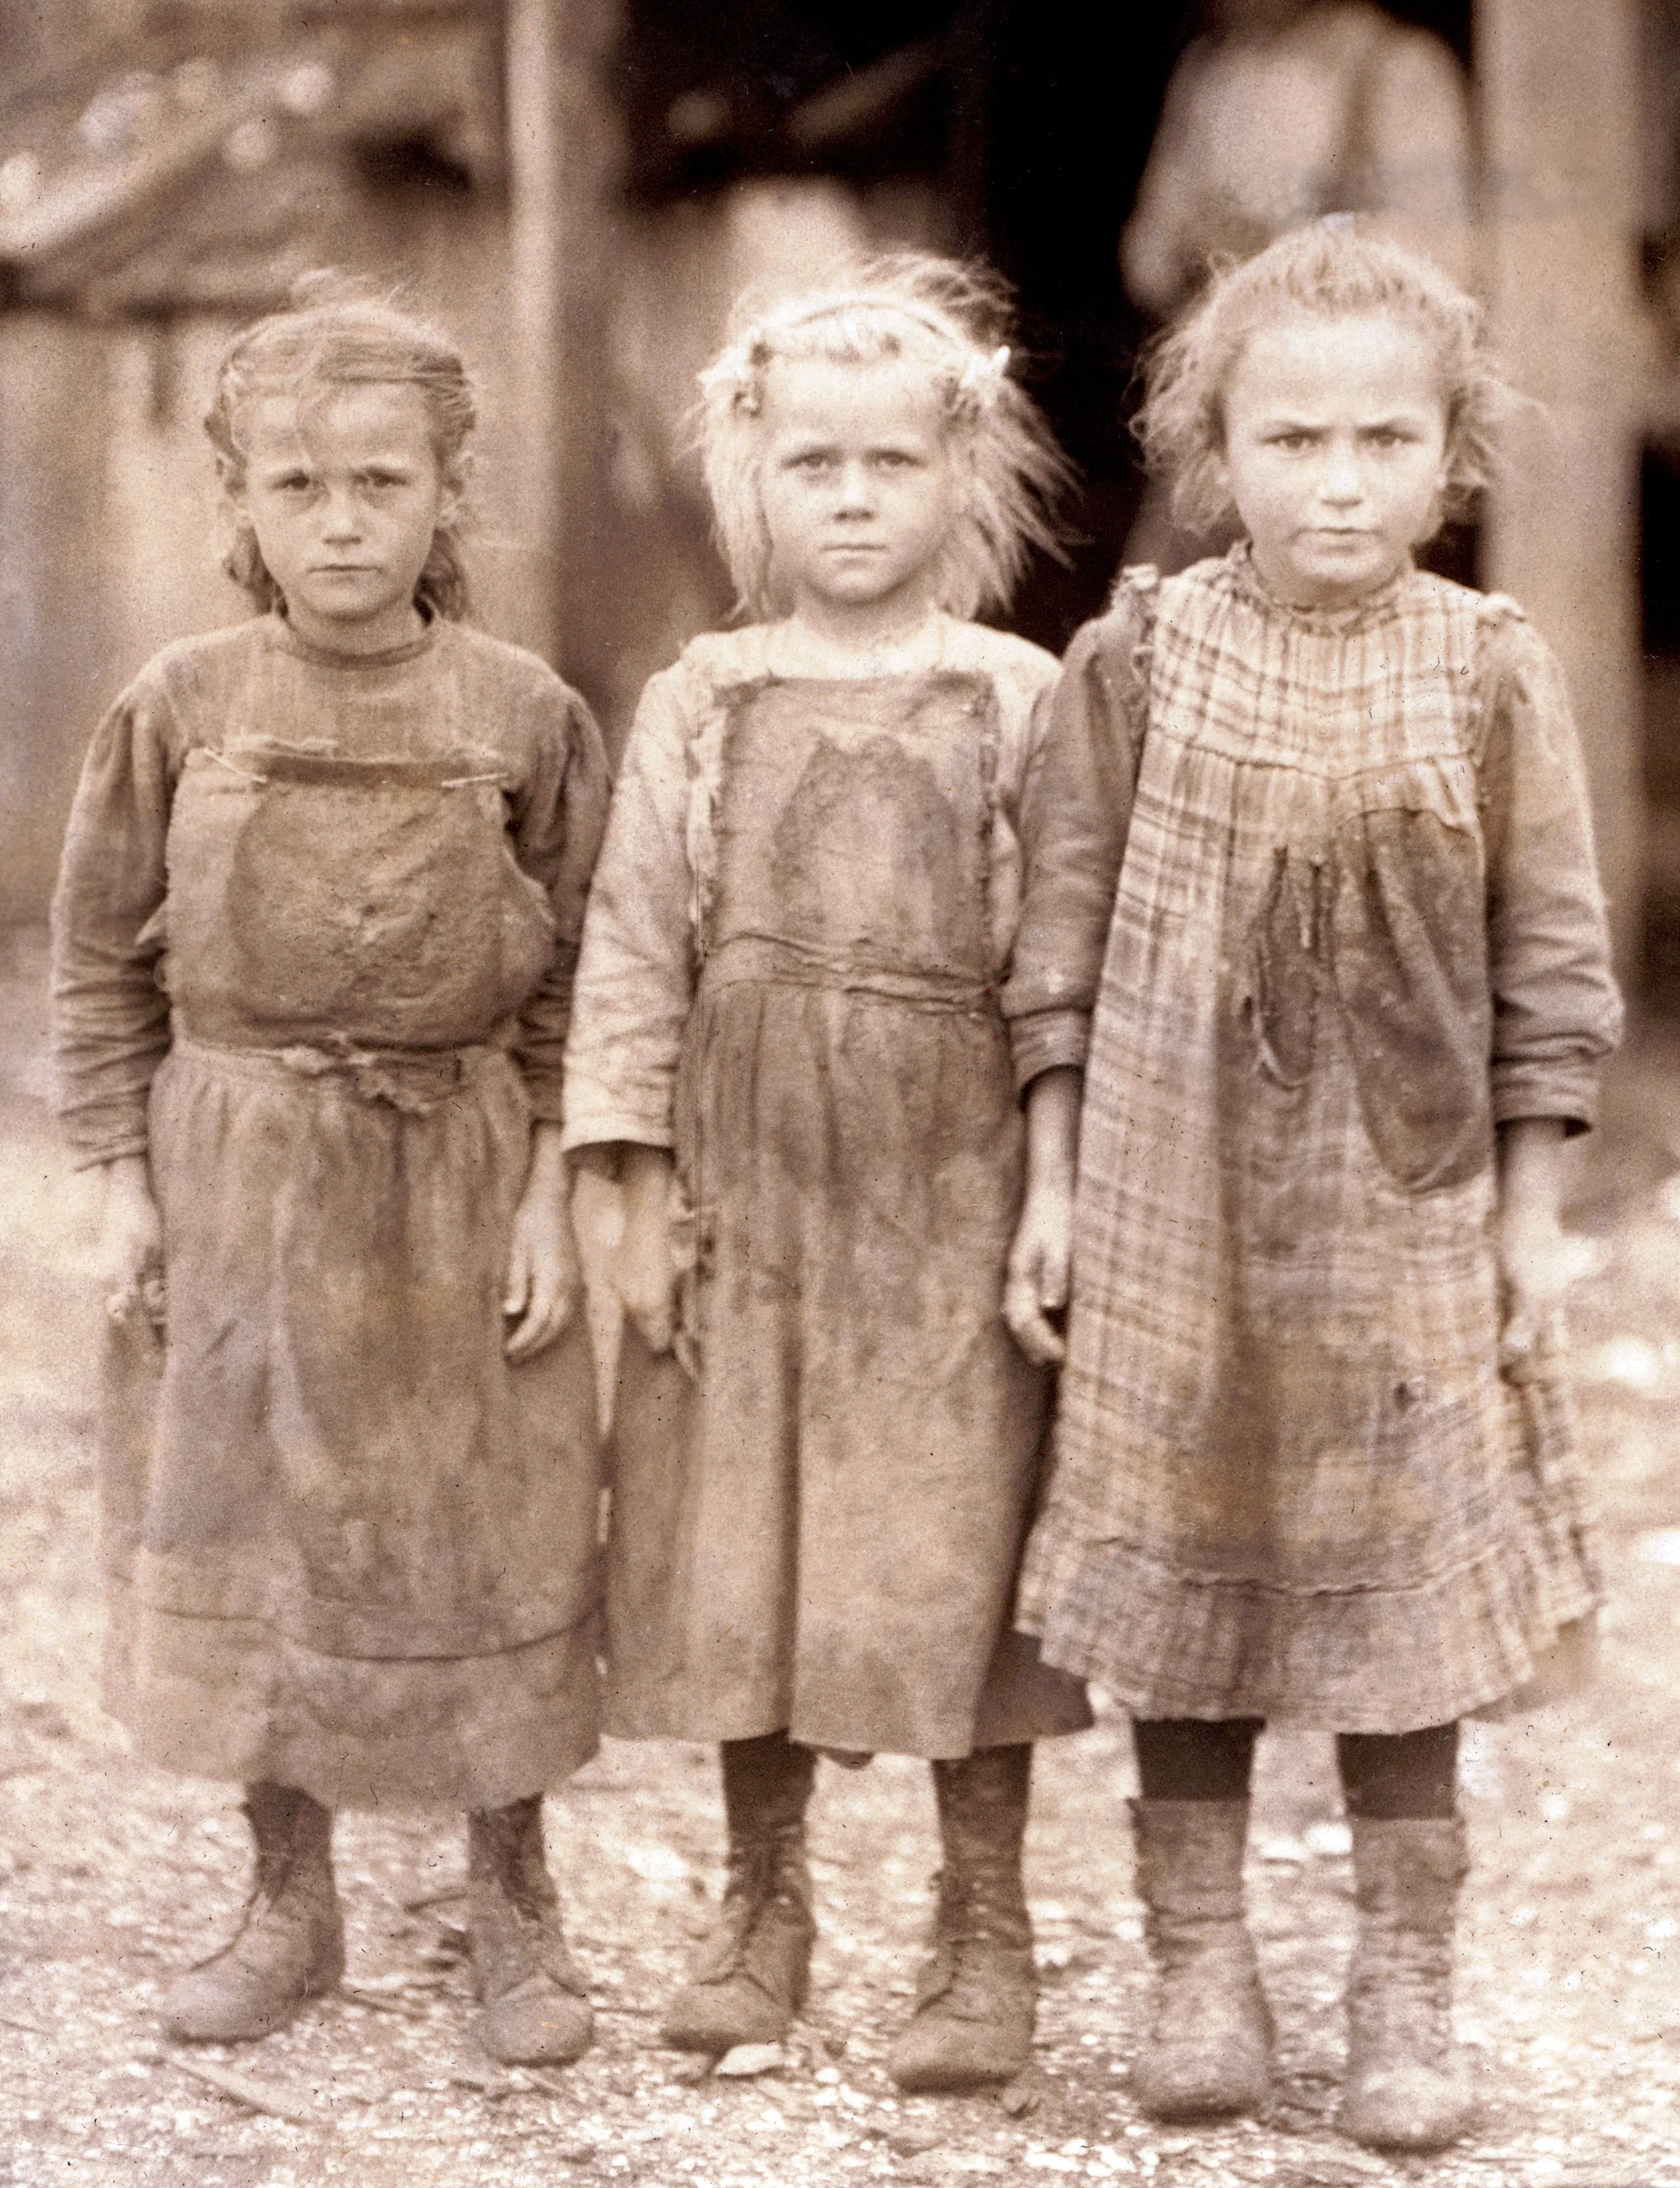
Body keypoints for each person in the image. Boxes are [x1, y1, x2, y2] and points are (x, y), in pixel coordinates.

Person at [1001, 223, 1621, 2153]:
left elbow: (1550, 960)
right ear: (1213, 450)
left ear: (1446, 460)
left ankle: (1397, 1985)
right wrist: (1046, 1182)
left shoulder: (1486, 669)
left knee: (1395, 1600)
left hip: (1402, 1210)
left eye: (1377, 440)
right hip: (1165, 1190)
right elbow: (1057, 933)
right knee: (1185, 1570)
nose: (1334, 481)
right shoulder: (1140, 656)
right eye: (1289, 440)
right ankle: (1196, 1962)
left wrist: (1524, 1214)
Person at [50, 276, 611, 2068]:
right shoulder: (177, 702)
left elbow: (585, 981)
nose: (343, 521)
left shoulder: (524, 711)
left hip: (457, 1173)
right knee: (255, 1527)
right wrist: (127, 1179)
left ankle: (511, 1904)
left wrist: (548, 1198)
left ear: (451, 492)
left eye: (383, 481)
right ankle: (285, 1904)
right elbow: (98, 965)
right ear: (238, 504)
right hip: (238, 1178)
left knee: (482, 1526)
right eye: (298, 488)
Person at [562, 254, 1092, 2092]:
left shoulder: (1017, 698)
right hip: (750, 1185)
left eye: (887, 463)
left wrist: (1050, 1183)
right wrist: (624, 1182)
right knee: (742, 1545)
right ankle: (761, 1908)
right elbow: (631, 947)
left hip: (941, 1192)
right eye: (813, 466)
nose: (850, 499)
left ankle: (981, 1929)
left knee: (957, 1548)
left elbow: (1057, 972)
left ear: (958, 476)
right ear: (751, 478)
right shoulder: (698, 697)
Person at [1120, 0, 1472, 571]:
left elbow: (1446, 271)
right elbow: (1145, 258)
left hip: (1351, 418)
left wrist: (1283, 250)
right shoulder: (1210, 71)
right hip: (1222, 420)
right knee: (1171, 610)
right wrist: (1190, 246)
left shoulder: (1398, 68)